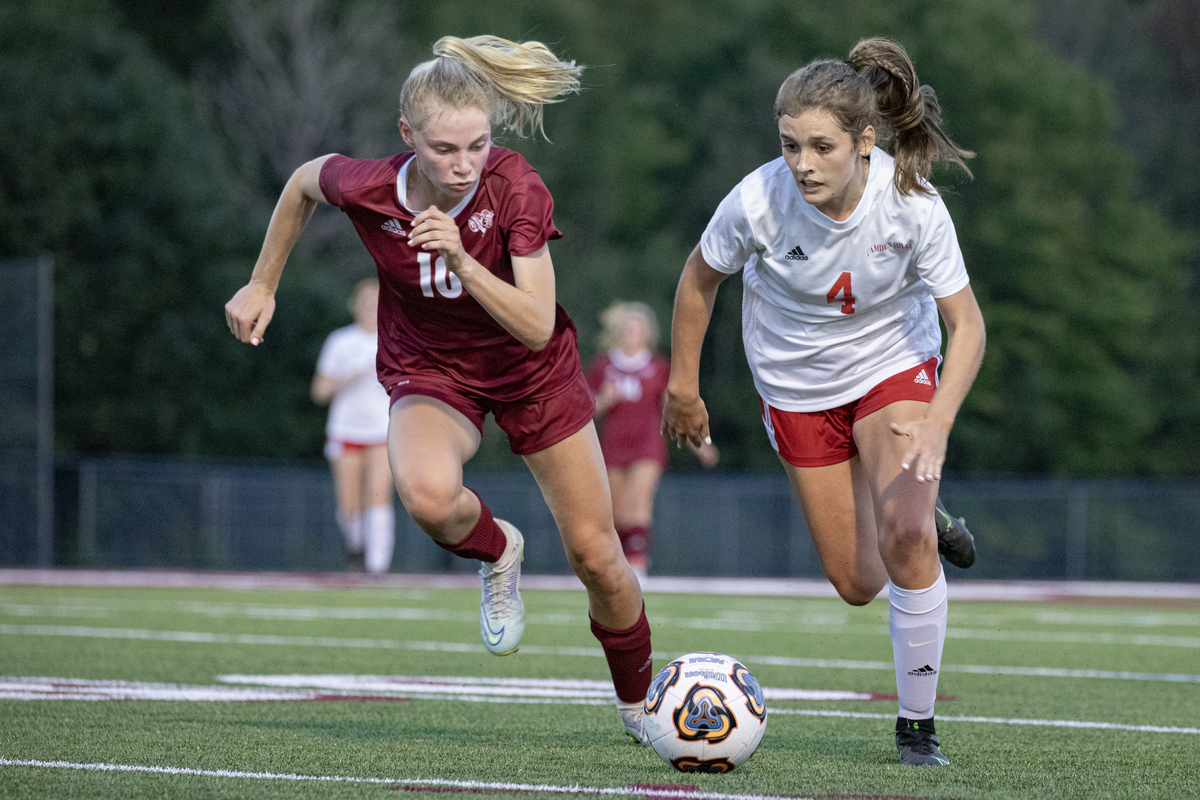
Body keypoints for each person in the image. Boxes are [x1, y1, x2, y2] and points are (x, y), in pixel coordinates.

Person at [224, 35, 653, 743]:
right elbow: (303, 181)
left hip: (532, 373)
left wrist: (462, 257)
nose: (463, 165)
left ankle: (641, 706)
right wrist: (262, 281)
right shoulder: (371, 187)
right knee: (424, 496)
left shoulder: (516, 187)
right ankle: (498, 551)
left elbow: (539, 325)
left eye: (477, 146)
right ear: (407, 137)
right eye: (444, 149)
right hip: (432, 368)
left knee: (599, 560)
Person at [662, 37, 986, 766]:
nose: (802, 164)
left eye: (821, 147)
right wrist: (683, 387)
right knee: (857, 582)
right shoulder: (756, 201)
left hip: (891, 369)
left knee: (905, 538)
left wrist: (938, 420)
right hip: (796, 389)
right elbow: (697, 282)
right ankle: (920, 511)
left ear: (865, 141)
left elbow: (968, 326)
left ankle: (916, 729)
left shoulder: (913, 205)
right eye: (789, 146)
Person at [586, 301, 718, 578]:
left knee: (639, 502)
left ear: (648, 333)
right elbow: (584, 410)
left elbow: (677, 409)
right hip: (612, 445)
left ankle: (638, 564)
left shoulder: (658, 367)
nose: (631, 333)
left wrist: (700, 445)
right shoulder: (603, 365)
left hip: (647, 444)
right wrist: (604, 400)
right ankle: (621, 565)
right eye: (627, 327)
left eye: (637, 327)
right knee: (618, 512)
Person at [311, 278, 394, 574]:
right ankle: (356, 550)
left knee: (378, 495)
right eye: (364, 301)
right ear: (354, 305)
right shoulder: (340, 341)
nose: (370, 307)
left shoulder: (395, 339)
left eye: (376, 301)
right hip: (346, 429)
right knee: (349, 503)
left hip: (383, 430)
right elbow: (318, 392)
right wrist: (350, 375)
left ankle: (377, 565)